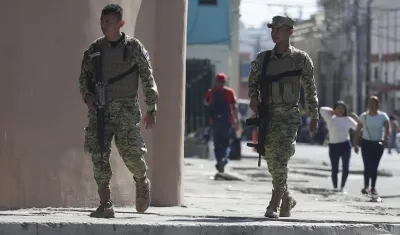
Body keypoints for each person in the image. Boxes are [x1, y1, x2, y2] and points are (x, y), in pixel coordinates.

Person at [78, 4, 159, 218]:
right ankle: (105, 204)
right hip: (100, 111)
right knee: (100, 157)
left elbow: (147, 78)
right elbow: (84, 77)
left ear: (120, 23)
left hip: (126, 110)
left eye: (109, 22)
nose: (104, 25)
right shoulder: (95, 49)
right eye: (102, 21)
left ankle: (141, 181)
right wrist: (87, 96)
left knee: (132, 155)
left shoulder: (134, 48)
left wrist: (151, 109)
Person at [248, 15, 319, 218]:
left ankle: (275, 202)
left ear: (290, 31)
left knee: (280, 158)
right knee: (271, 158)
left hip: (289, 116)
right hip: (268, 116)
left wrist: (314, 115)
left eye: (278, 29)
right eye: (272, 29)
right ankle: (287, 198)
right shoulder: (263, 58)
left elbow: (310, 89)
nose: (274, 33)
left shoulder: (301, 59)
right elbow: (252, 83)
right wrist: (254, 98)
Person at [353, 96, 390, 196]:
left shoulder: (383, 116)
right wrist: (355, 144)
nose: (371, 105)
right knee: (367, 166)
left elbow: (387, 129)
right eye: (369, 102)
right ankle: (366, 186)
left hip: (378, 144)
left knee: (374, 166)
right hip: (366, 143)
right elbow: (357, 131)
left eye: (373, 103)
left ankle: (373, 187)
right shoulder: (363, 116)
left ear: (377, 104)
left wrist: (386, 139)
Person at [204, 73, 240, 173]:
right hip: (226, 123)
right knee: (226, 144)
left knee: (217, 144)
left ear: (215, 81)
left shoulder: (210, 92)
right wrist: (237, 122)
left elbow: (205, 103)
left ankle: (219, 160)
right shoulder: (229, 92)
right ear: (225, 82)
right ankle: (224, 160)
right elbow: (234, 108)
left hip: (215, 123)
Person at [319, 101, 357, 192]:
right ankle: (335, 187)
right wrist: (331, 110)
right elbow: (321, 109)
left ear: (345, 110)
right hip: (333, 146)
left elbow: (358, 127)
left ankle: (342, 186)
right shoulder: (330, 118)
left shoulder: (347, 119)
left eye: (342, 108)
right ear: (335, 109)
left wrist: (356, 118)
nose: (340, 110)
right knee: (334, 169)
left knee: (345, 168)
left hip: (345, 146)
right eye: (338, 108)